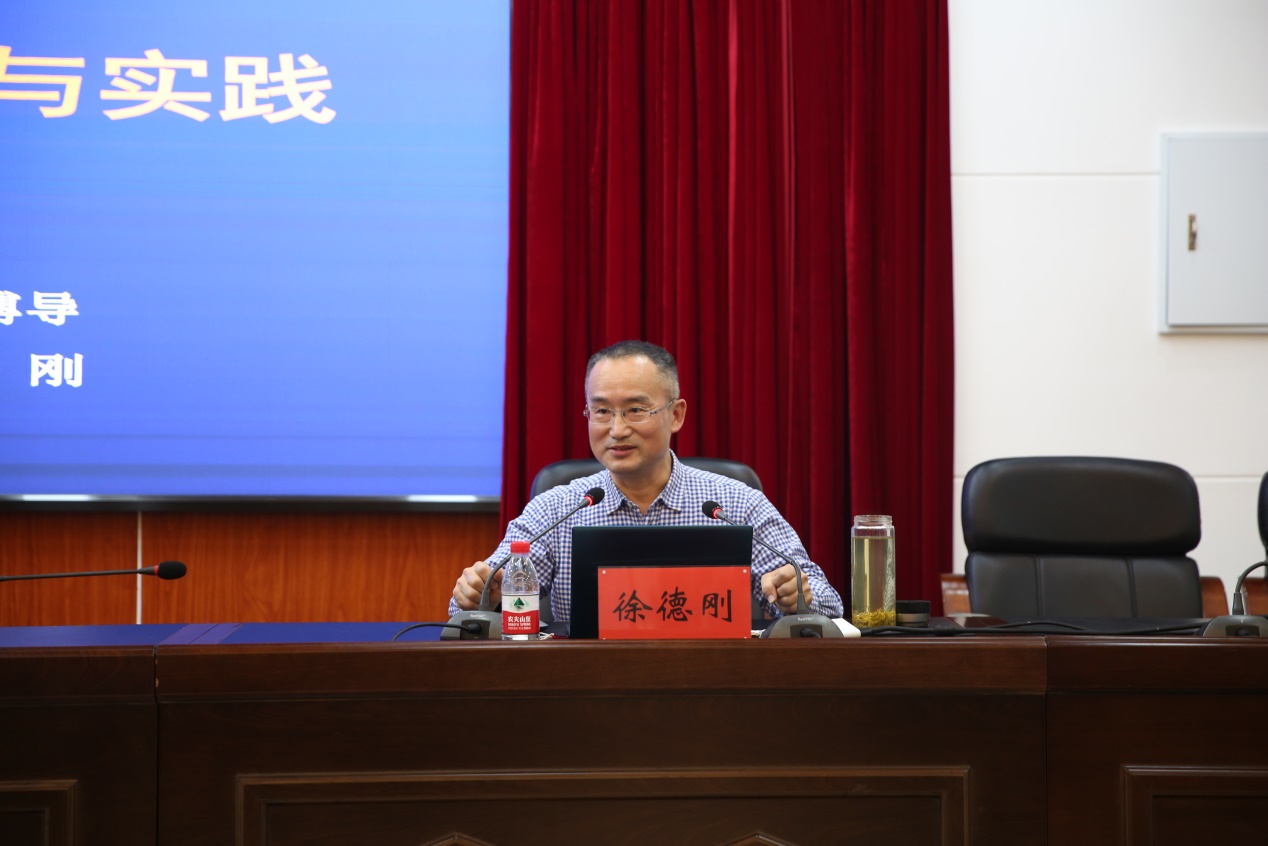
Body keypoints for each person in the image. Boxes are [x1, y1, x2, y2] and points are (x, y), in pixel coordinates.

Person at [449, 340, 844, 626]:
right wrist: (481, 596)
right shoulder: (556, 510)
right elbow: (469, 612)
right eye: (601, 411)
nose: (617, 429)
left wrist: (798, 596)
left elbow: (830, 606)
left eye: (635, 410)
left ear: (676, 415)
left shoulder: (735, 504)